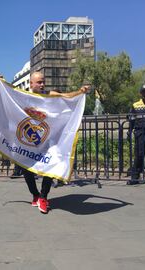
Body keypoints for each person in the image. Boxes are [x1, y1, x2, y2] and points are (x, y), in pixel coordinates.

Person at [18, 71, 89, 214]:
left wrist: (80, 92)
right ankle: (35, 195)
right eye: (39, 82)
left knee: (51, 165)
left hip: (47, 139)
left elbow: (67, 96)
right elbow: (7, 98)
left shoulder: (50, 94)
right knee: (25, 168)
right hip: (28, 139)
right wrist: (0, 82)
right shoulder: (23, 96)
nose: (43, 84)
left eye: (43, 81)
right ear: (31, 83)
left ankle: (43, 197)